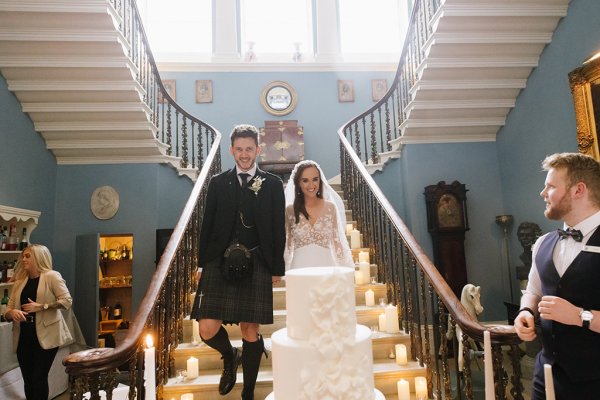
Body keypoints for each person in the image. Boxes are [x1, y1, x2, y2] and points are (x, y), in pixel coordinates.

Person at [190, 124, 286, 400]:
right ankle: (230, 355)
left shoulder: (271, 184)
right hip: (218, 260)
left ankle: (249, 392)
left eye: (249, 149)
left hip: (257, 259)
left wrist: (276, 267)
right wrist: (200, 263)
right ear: (231, 150)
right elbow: (206, 225)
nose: (244, 155)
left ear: (258, 149)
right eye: (239, 149)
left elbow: (277, 227)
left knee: (249, 329)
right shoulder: (218, 183)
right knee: (206, 328)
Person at [514, 152, 600, 399]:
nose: (543, 193)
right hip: (547, 375)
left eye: (550, 186)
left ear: (578, 190)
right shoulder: (543, 243)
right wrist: (525, 312)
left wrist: (578, 316)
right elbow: (533, 290)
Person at [3, 244, 73, 400]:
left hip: (46, 336)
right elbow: (6, 311)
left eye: (28, 256)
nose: (23, 259)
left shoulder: (52, 276)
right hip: (23, 336)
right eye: (23, 256)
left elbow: (67, 301)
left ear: (39, 257)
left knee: (38, 378)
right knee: (28, 381)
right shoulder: (19, 282)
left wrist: (42, 306)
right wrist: (12, 313)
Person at [284, 160, 354, 269]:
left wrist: (345, 268)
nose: (311, 185)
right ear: (298, 183)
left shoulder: (330, 208)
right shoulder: (290, 211)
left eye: (315, 179)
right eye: (305, 180)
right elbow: (287, 247)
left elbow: (337, 242)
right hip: (299, 270)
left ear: (320, 181)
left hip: (326, 268)